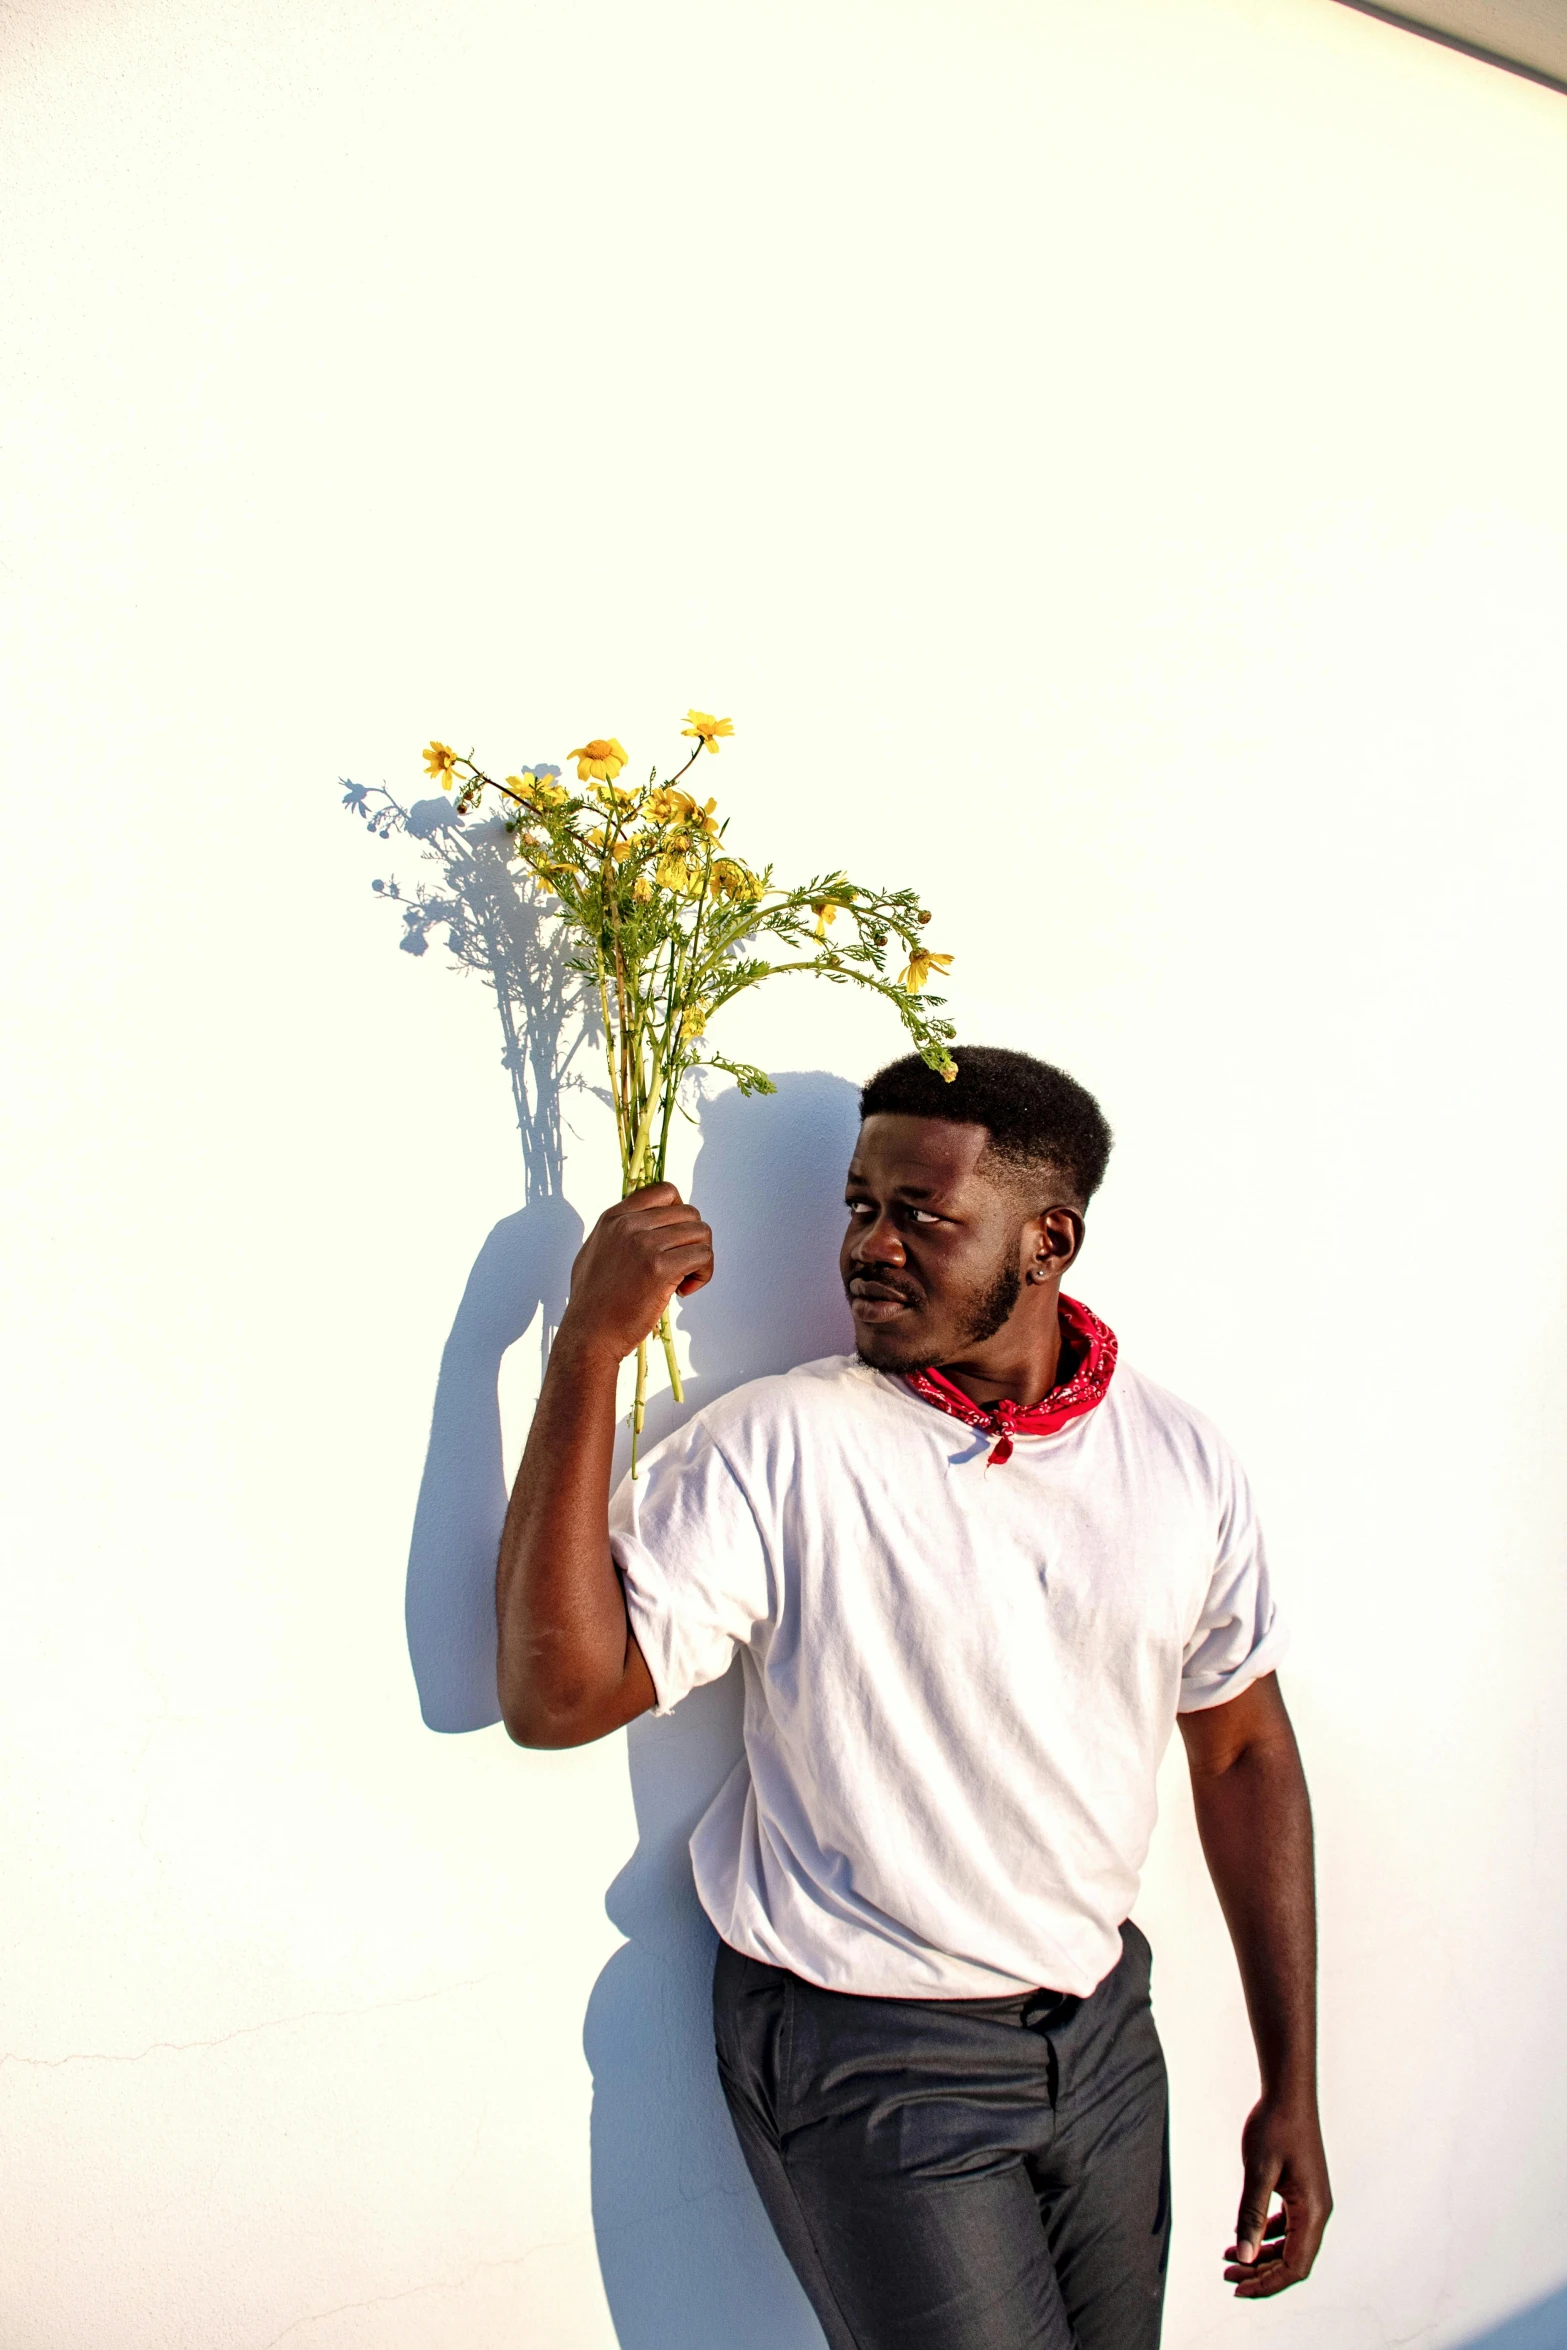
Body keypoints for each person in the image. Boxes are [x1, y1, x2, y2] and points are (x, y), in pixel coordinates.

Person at [496, 1045, 1331, 2350]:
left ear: (1047, 1238)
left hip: (1103, 2032)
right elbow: (557, 1693)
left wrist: (1292, 2079)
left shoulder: (1176, 1456)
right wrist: (591, 1351)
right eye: (854, 1204)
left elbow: (1238, 1750)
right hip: (871, 2051)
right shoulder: (783, 1444)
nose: (866, 1246)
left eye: (918, 1215)